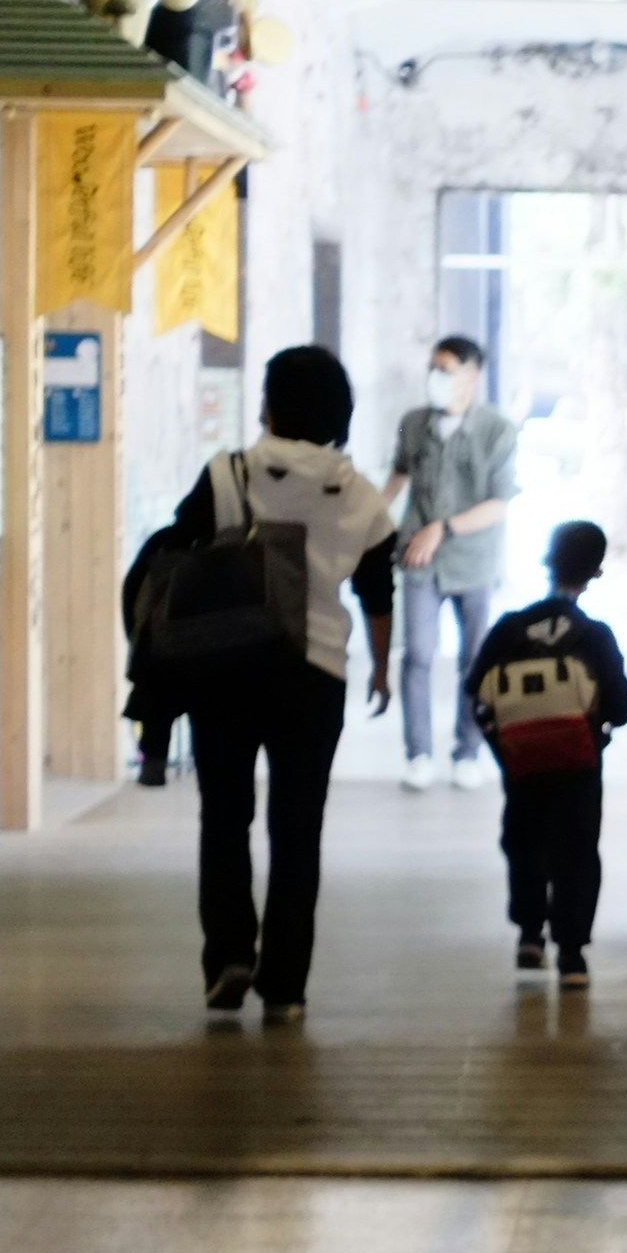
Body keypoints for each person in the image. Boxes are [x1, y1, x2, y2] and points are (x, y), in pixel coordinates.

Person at [154, 345, 405, 1020]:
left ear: (269, 402)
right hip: (313, 676)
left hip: (226, 668)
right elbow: (379, 588)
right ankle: (286, 987)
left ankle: (229, 957)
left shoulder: (227, 474)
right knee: (298, 832)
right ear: (339, 411)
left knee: (224, 819)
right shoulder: (358, 494)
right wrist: (380, 668)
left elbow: (180, 550)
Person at [468, 521, 627, 980]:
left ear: (547, 561)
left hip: (521, 764)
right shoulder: (594, 636)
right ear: (596, 572)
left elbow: (475, 692)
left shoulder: (509, 630)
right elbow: (620, 707)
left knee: (524, 844)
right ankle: (572, 953)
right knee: (577, 850)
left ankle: (529, 935)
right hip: (579, 765)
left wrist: (507, 746)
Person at [389, 334, 524, 792]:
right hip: (418, 560)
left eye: (445, 369)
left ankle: (467, 752)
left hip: (473, 561)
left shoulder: (498, 432)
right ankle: (418, 753)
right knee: (418, 655)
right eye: (434, 367)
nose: (436, 377)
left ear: (472, 375)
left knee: (475, 659)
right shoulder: (413, 423)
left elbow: (499, 503)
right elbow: (398, 476)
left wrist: (443, 528)